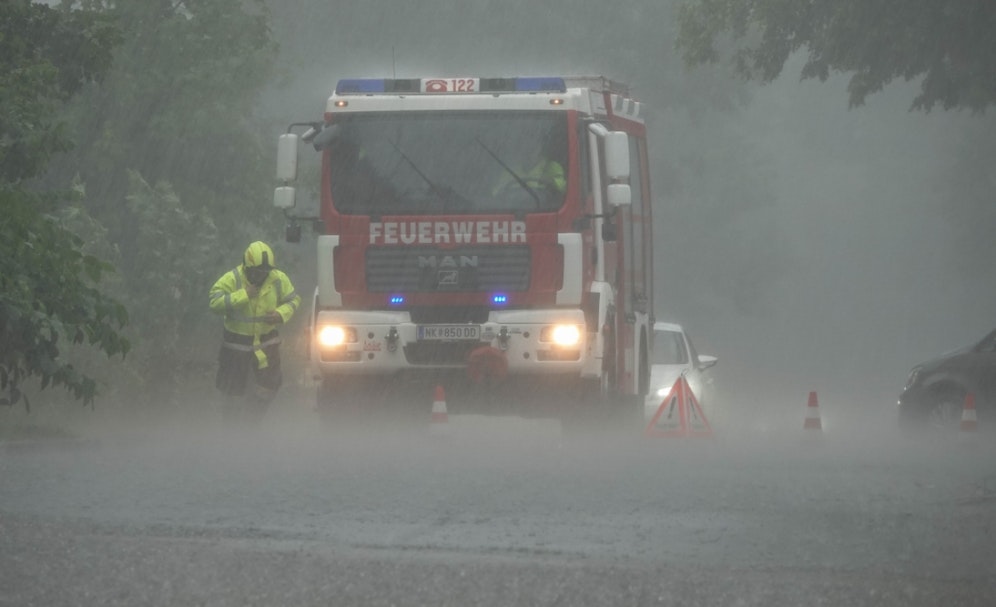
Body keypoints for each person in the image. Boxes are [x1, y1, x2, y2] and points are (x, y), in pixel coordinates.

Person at [208, 241, 300, 422]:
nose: (261, 276)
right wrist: (243, 295)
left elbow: (294, 300)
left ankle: (252, 420)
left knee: (271, 385)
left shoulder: (278, 279)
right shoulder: (232, 278)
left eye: (265, 272)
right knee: (231, 392)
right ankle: (231, 429)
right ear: (247, 267)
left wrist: (280, 314)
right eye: (257, 272)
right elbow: (214, 304)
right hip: (236, 345)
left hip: (267, 343)